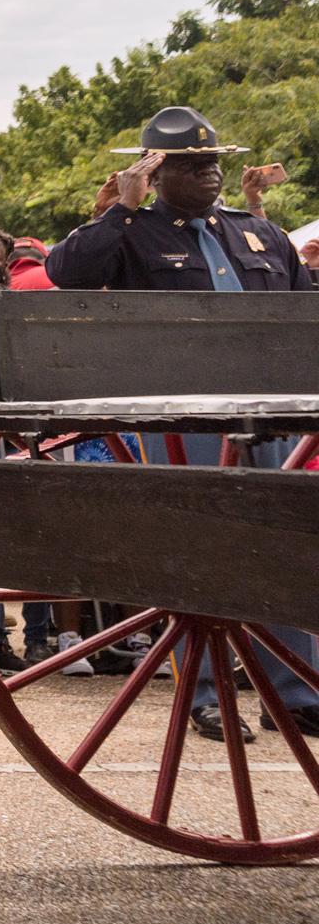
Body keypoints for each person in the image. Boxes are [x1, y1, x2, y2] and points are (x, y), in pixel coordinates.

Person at [45, 106, 317, 741]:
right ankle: (207, 693)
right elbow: (68, 273)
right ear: (155, 172)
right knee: (199, 548)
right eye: (192, 166)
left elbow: (303, 311)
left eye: (213, 163)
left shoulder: (256, 233)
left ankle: (295, 689)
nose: (210, 175)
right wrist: (121, 208)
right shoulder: (132, 232)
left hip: (268, 410)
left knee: (283, 540)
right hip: (181, 411)